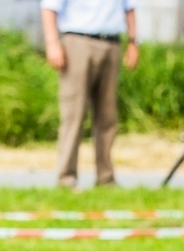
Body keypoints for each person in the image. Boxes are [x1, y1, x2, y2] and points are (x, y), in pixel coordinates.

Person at [40, 0, 140, 189]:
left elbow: (130, 6)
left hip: (112, 43)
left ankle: (106, 178)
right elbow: (49, 7)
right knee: (73, 114)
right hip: (78, 41)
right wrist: (52, 43)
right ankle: (66, 179)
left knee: (107, 116)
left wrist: (134, 41)